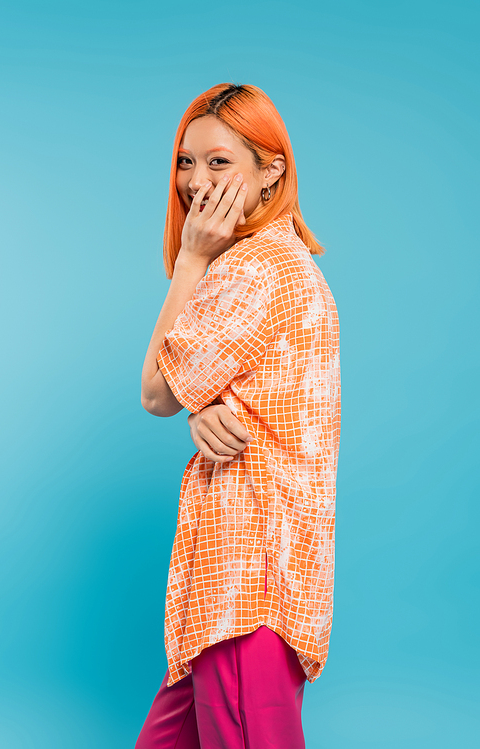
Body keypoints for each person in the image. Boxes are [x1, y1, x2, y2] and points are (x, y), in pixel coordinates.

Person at [137, 82, 341, 749]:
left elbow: (155, 391)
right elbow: (211, 390)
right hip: (244, 580)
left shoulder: (252, 266)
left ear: (271, 170)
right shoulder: (286, 262)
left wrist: (192, 258)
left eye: (219, 161)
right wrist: (204, 404)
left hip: (245, 580)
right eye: (185, 161)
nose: (196, 182)